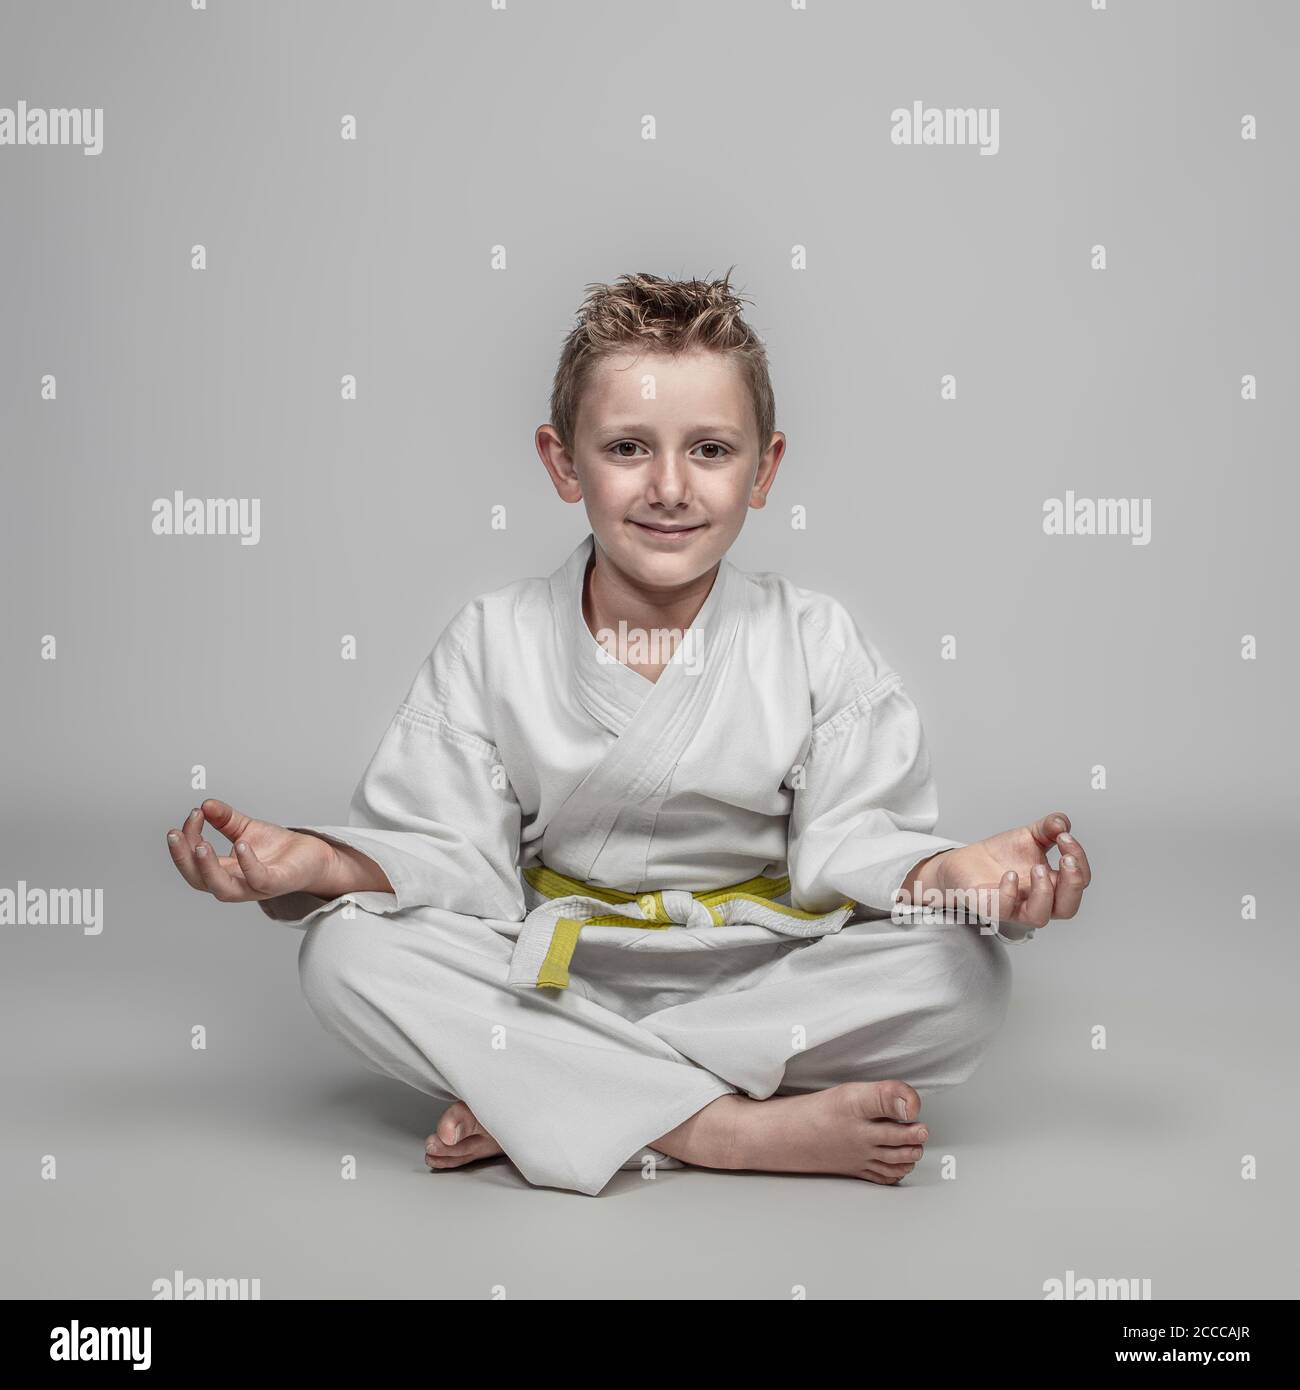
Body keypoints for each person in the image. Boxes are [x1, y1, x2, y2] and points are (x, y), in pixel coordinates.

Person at [164, 271, 1091, 1197]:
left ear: (764, 469)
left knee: (961, 969)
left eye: (711, 450)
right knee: (346, 952)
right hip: (557, 974)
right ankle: (723, 1129)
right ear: (563, 461)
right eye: (627, 448)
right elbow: (443, 851)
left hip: (768, 978)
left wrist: (956, 878)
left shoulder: (814, 640)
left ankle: (554, 1090)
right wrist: (320, 863)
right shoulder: (496, 639)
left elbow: (860, 845)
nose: (670, 487)